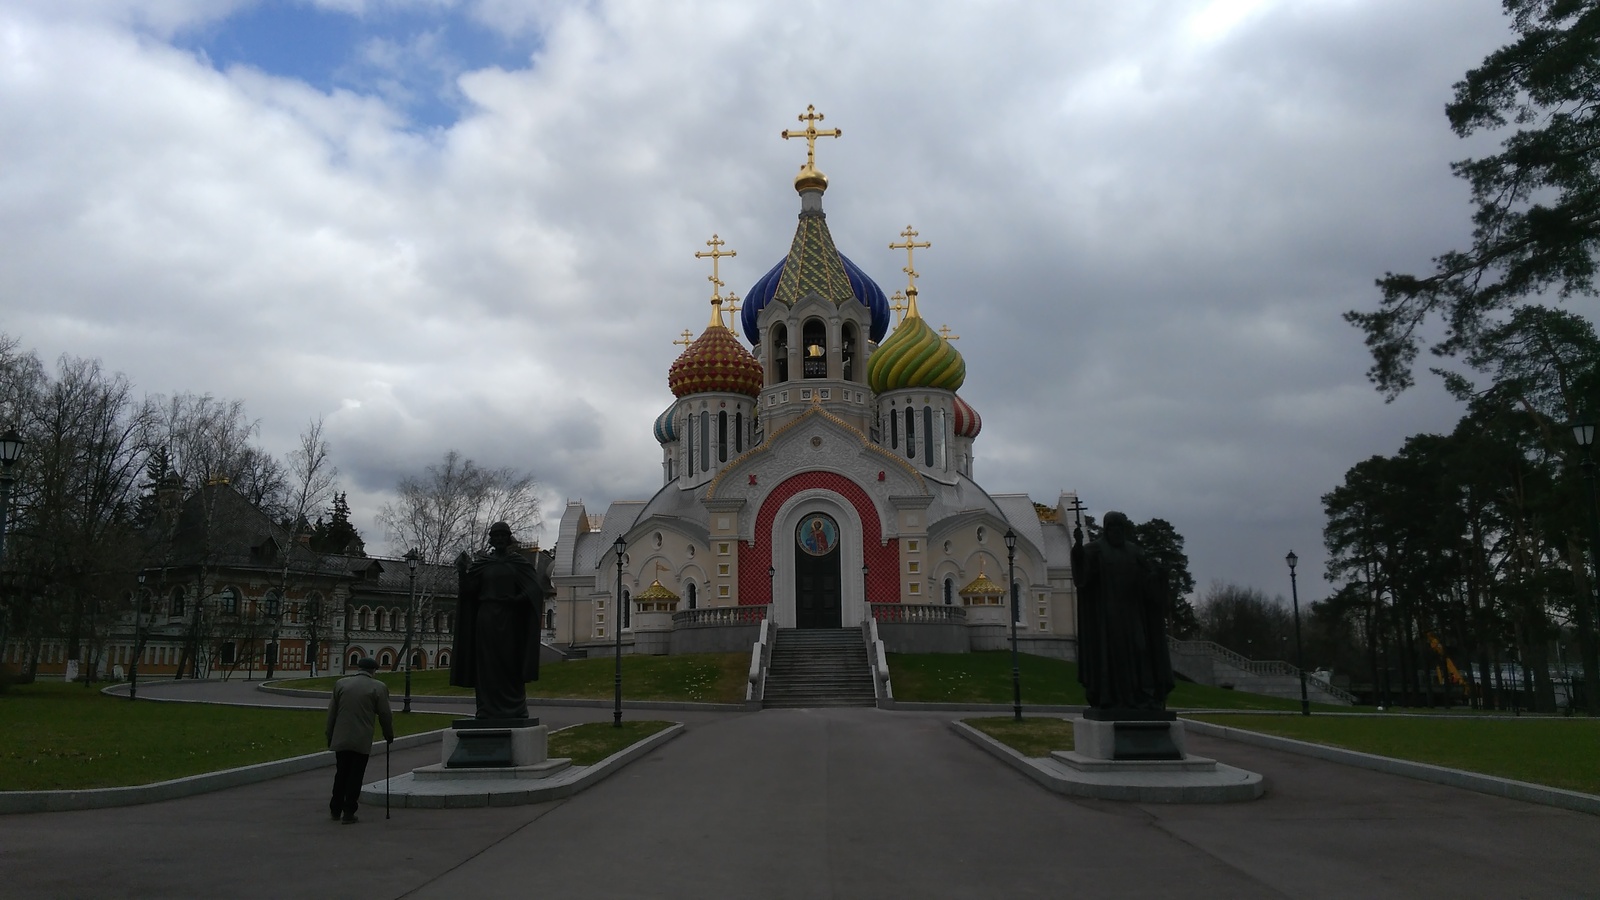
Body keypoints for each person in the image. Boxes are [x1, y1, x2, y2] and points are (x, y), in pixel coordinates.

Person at [1070, 511, 1174, 714]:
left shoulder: (1134, 552)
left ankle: (1142, 695)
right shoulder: (1096, 550)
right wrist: (1078, 550)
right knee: (1111, 656)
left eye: (1119, 528)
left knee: (1141, 651)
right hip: (1107, 616)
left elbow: (1147, 582)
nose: (1116, 531)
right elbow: (1083, 577)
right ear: (1106, 529)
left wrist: (1159, 576)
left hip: (1133, 614)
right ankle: (1110, 698)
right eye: (1112, 527)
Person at [450, 522, 553, 720]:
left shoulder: (518, 563)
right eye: (495, 536)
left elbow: (535, 589)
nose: (498, 539)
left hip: (510, 618)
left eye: (502, 536)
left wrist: (517, 599)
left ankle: (515, 707)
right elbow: (469, 591)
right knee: (486, 663)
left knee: (509, 660)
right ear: (491, 539)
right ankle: (486, 709)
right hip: (486, 617)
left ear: (508, 539)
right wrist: (462, 571)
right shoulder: (483, 564)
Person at [325, 656, 395, 824]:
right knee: (356, 775)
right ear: (374, 671)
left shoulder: (341, 684)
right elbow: (385, 714)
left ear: (358, 668)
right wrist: (388, 734)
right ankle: (349, 811)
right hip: (361, 739)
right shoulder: (378, 687)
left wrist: (330, 735)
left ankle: (335, 809)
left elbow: (331, 713)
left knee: (341, 773)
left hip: (340, 737)